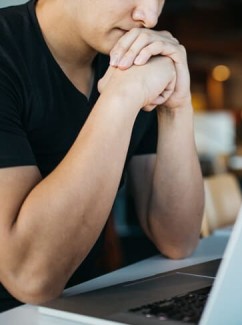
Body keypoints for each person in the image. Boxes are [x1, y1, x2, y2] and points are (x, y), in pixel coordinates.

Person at [0, 0, 204, 311]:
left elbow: (178, 239)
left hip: (81, 307)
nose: (148, 17)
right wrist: (121, 97)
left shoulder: (132, 56)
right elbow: (30, 278)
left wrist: (177, 107)